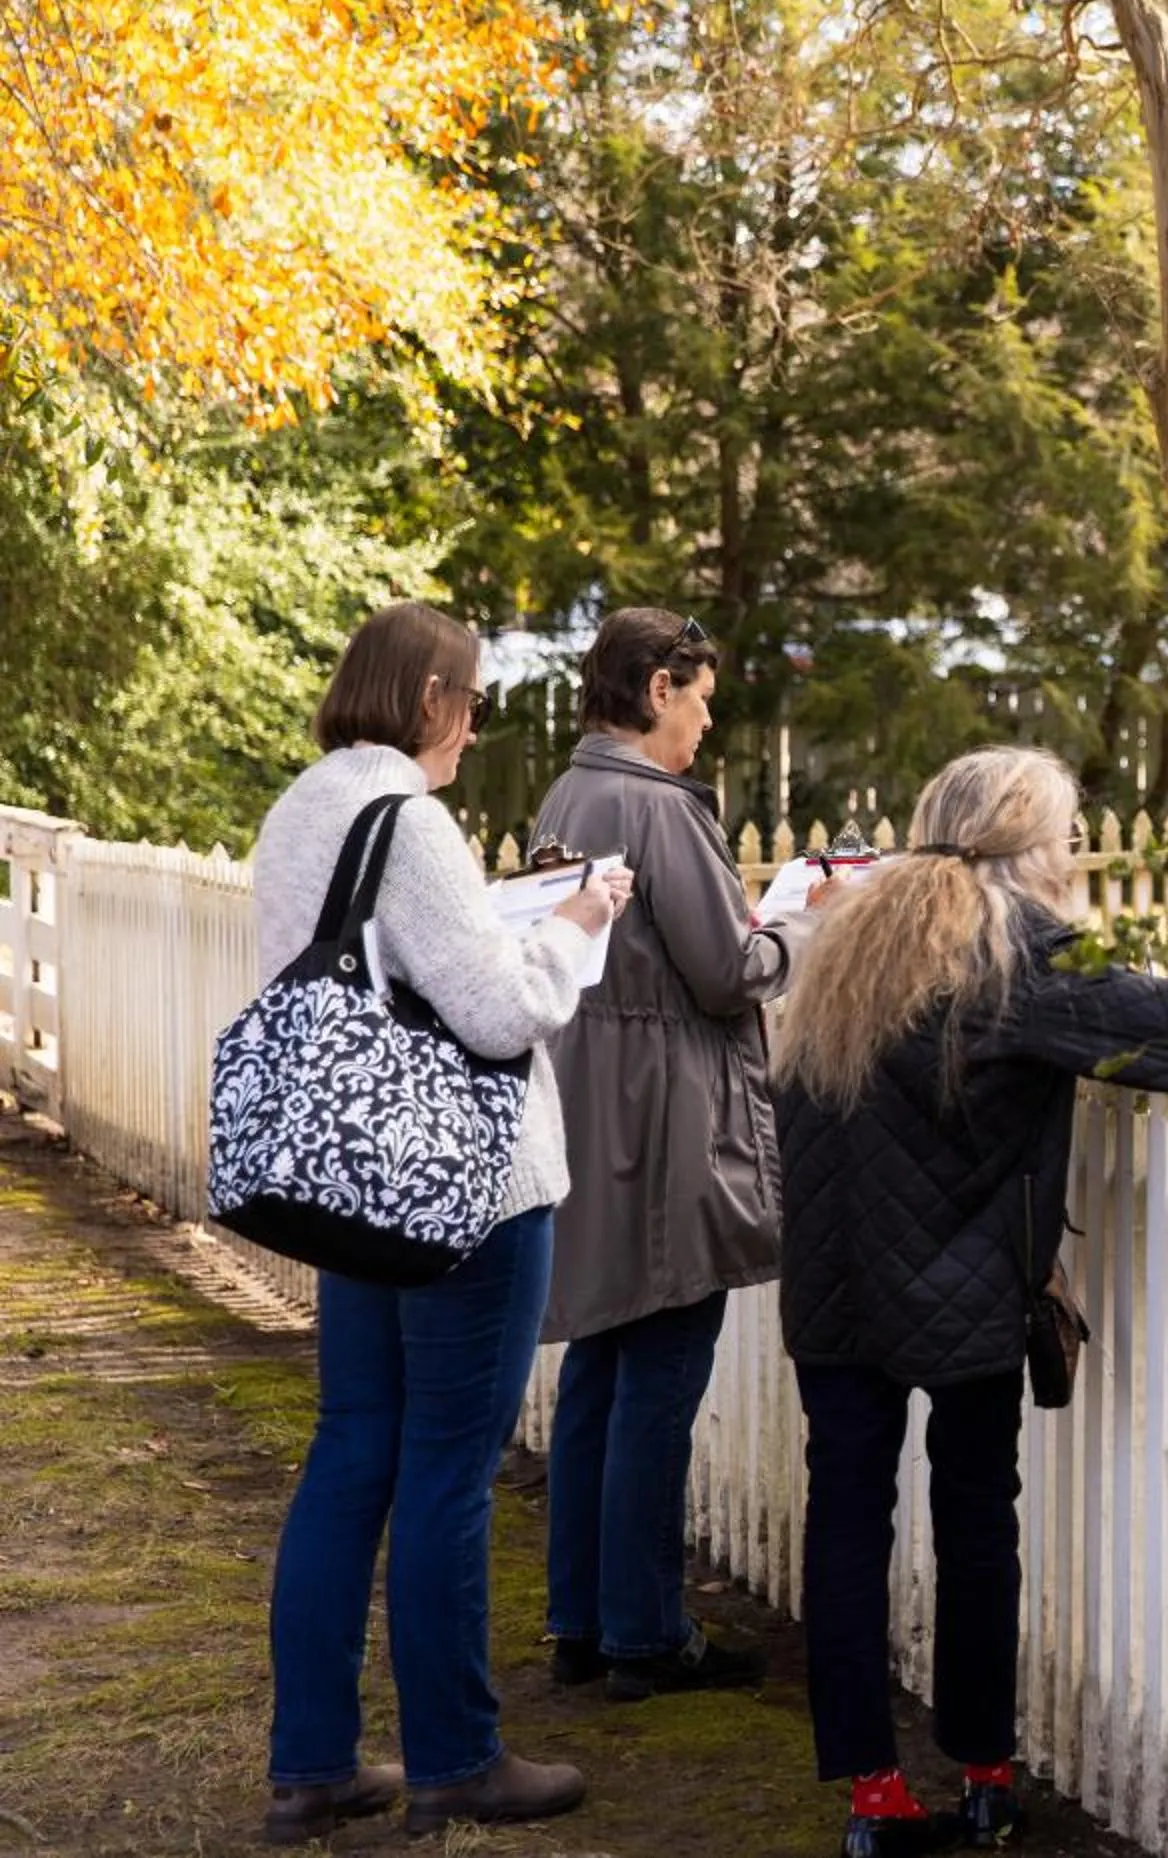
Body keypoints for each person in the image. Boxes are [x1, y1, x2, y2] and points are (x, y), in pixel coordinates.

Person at [771, 747, 1168, 1858]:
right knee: (977, 1519)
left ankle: (872, 1797)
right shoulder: (1019, 949)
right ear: (1028, 844)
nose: (1074, 854)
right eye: (1066, 836)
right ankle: (984, 1772)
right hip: (962, 1282)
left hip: (832, 1277)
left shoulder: (850, 934)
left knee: (846, 1522)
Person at [251, 602, 633, 1844]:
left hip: (356, 1183)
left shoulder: (305, 804)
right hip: (464, 1188)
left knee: (352, 1449)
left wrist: (496, 909)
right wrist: (573, 929)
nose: (475, 724)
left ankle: (310, 1765)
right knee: (447, 1474)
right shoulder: (410, 819)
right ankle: (456, 1761)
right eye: (469, 700)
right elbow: (491, 1013)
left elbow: (372, 967)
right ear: (427, 696)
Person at [531, 608, 800, 1699]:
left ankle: (582, 1620)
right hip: (668, 1118)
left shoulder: (567, 793)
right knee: (660, 1377)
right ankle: (645, 1632)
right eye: (699, 695)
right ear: (655, 689)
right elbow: (724, 972)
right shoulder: (658, 804)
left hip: (589, 1101)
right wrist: (796, 926)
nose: (707, 717)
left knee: (600, 1361)